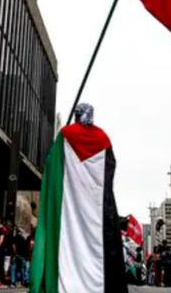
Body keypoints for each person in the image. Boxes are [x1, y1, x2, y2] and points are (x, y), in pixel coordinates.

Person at [30, 103, 128, 292]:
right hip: (96, 212)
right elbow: (110, 168)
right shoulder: (104, 138)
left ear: (76, 115)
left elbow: (51, 164)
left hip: (70, 209)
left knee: (66, 245)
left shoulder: (66, 135)